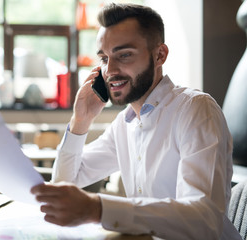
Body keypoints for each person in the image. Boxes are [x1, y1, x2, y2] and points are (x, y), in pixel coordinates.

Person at [31, 3, 242, 240]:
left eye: (124, 55)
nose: (110, 70)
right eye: (104, 58)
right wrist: (80, 120)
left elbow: (204, 220)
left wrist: (98, 208)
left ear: (160, 55)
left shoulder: (195, 110)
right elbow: (65, 183)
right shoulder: (124, 124)